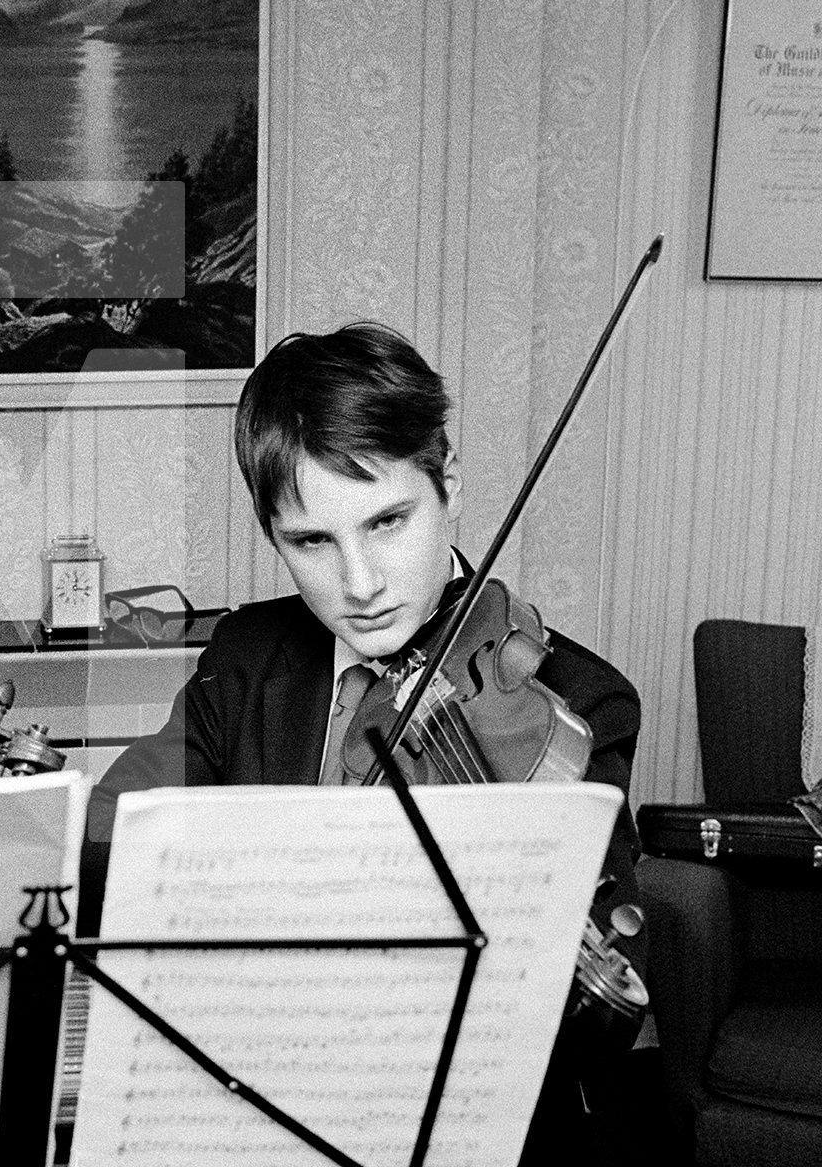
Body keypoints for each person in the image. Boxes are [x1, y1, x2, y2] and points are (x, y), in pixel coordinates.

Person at [78, 321, 642, 1159]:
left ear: (447, 480)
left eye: (387, 522)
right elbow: (107, 844)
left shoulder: (581, 700)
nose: (361, 584)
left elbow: (577, 1037)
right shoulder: (245, 659)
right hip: (256, 1115)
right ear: (271, 533)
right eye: (312, 541)